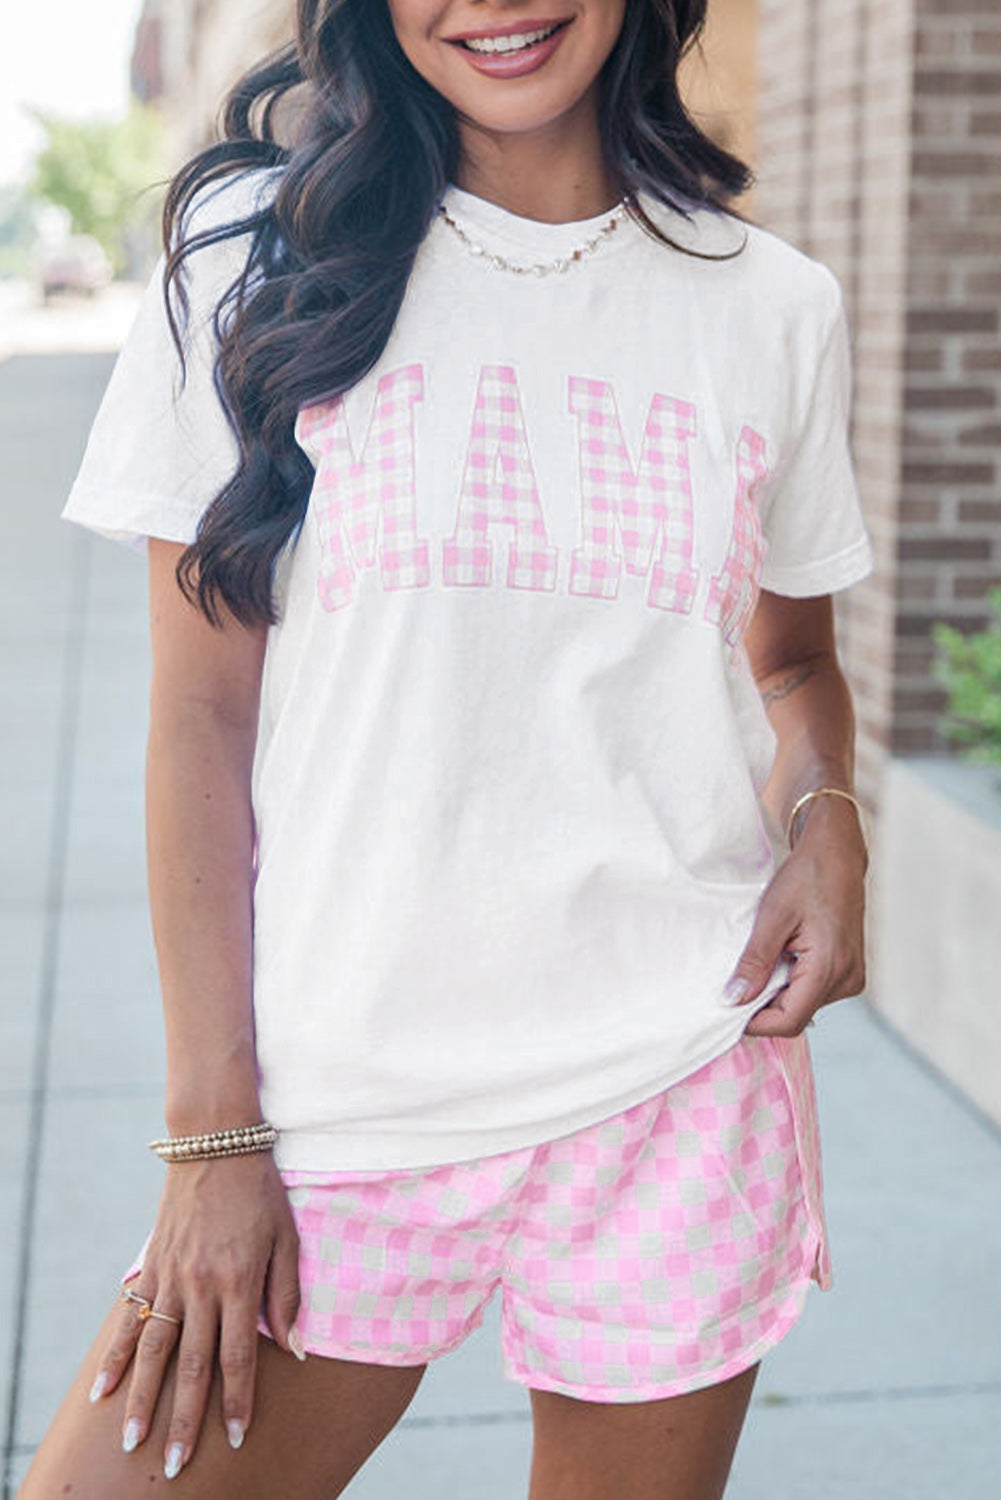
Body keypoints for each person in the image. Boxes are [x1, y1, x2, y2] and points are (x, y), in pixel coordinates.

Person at [18, 2, 876, 1496]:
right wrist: (214, 1140)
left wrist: (826, 813)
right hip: (336, 1106)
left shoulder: (770, 306)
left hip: (670, 1084)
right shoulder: (247, 257)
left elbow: (790, 658)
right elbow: (199, 720)